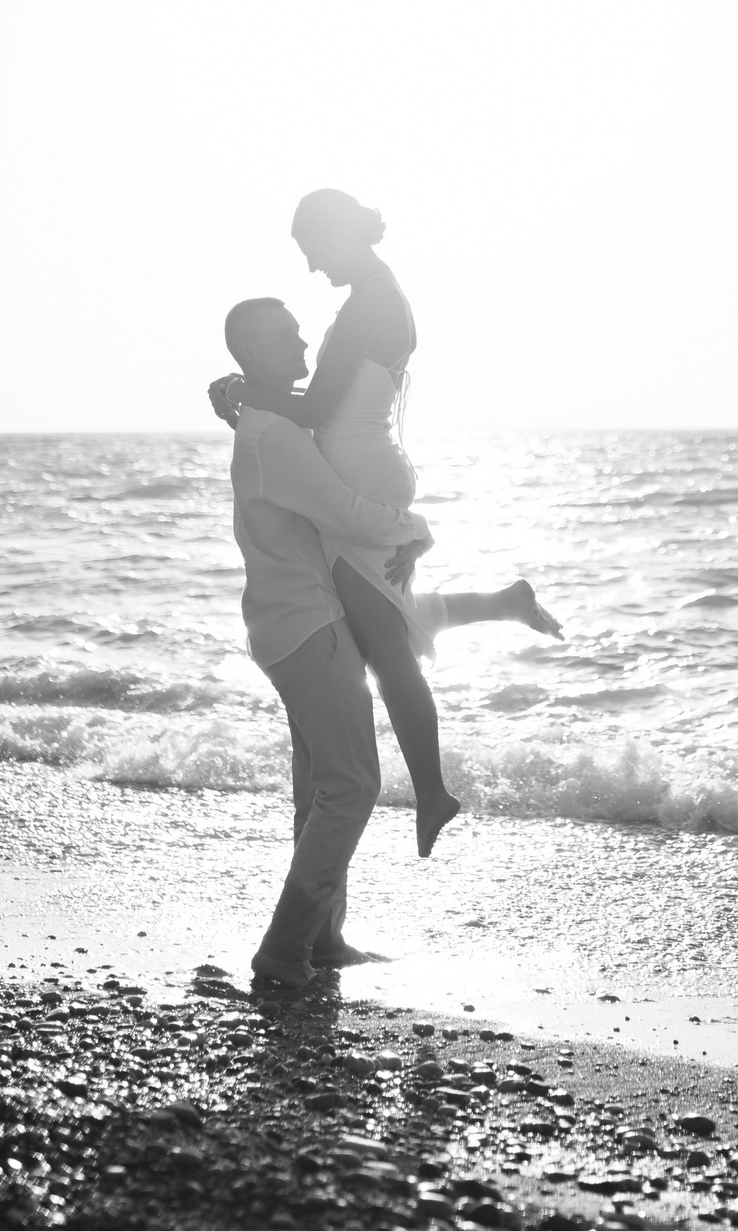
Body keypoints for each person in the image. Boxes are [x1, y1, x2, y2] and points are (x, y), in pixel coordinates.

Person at [210, 189, 558, 859]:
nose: (311, 266)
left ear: (337, 234)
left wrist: (238, 388)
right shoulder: (371, 294)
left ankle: (432, 792)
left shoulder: (373, 299)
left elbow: (315, 408)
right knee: (386, 621)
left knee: (388, 652)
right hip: (369, 468)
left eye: (312, 248)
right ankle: (502, 602)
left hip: (361, 476)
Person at [221, 296, 428, 988]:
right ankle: (284, 948)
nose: (304, 340)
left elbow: (313, 417)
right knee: (353, 784)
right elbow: (340, 509)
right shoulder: (272, 434)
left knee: (319, 789)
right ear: (253, 354)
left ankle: (322, 938)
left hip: (288, 624)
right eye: (285, 336)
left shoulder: (268, 420)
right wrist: (411, 525)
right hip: (307, 625)